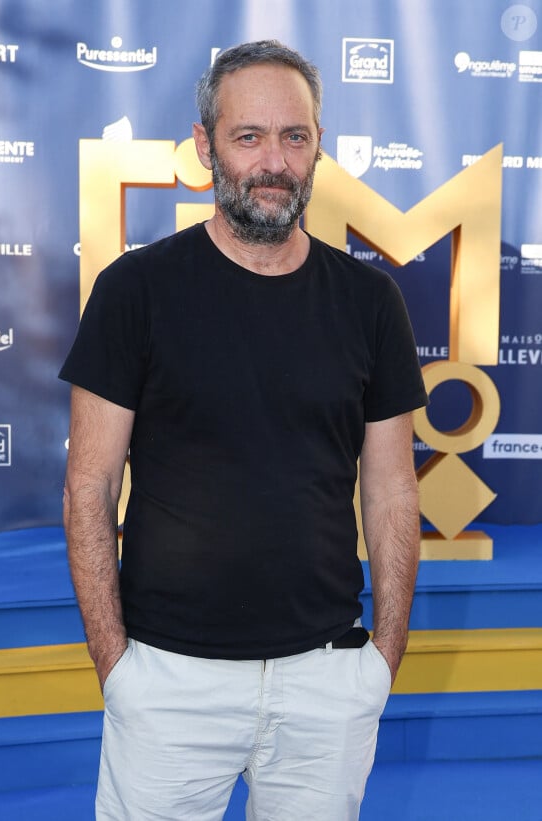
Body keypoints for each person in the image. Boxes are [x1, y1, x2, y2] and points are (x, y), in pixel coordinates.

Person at [60, 39, 427, 821]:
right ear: (205, 145)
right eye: (249, 136)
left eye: (294, 137)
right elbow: (89, 484)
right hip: (167, 681)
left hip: (327, 683)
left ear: (318, 147)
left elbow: (393, 490)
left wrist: (381, 664)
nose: (274, 161)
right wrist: (117, 667)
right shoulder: (136, 291)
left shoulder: (371, 301)